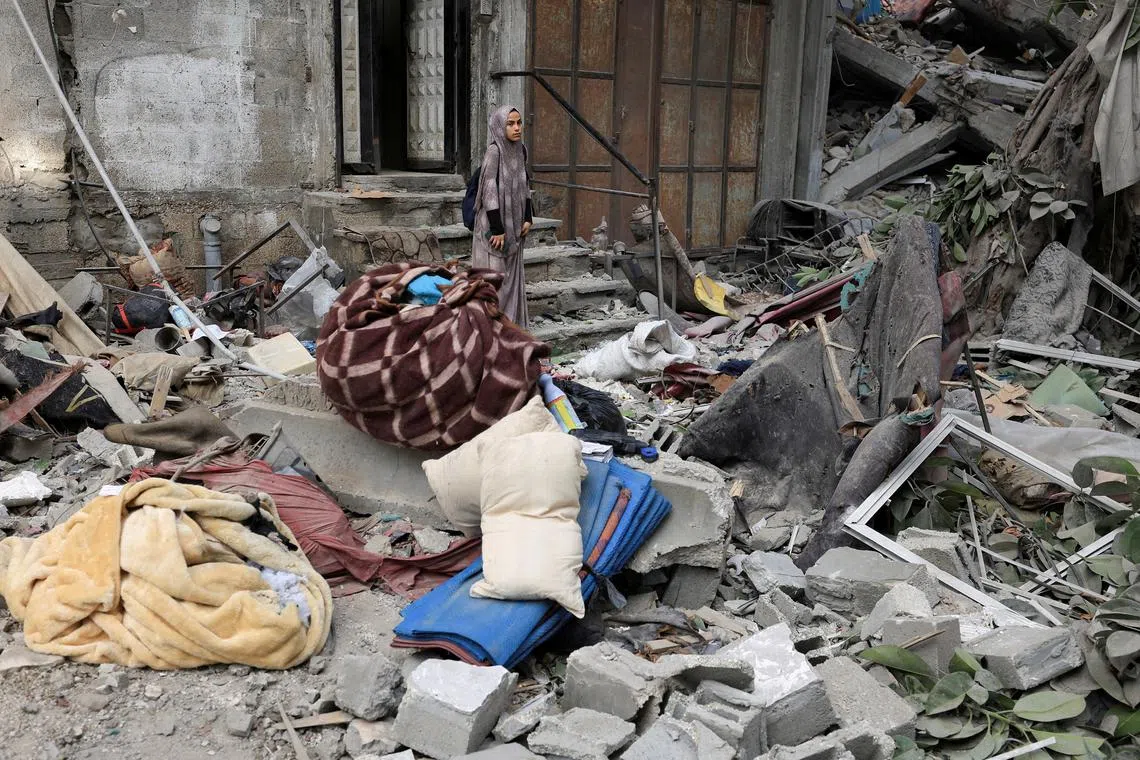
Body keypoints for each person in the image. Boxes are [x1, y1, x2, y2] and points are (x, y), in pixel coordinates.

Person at [472, 106, 533, 327]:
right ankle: (490, 327)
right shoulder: (494, 151)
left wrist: (528, 217)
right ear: (499, 126)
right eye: (510, 124)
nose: (517, 128)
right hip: (493, 227)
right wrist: (497, 229)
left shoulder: (520, 149)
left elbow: (525, 184)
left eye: (519, 122)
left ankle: (510, 323)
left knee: (511, 279)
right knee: (494, 279)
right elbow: (488, 190)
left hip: (515, 226)